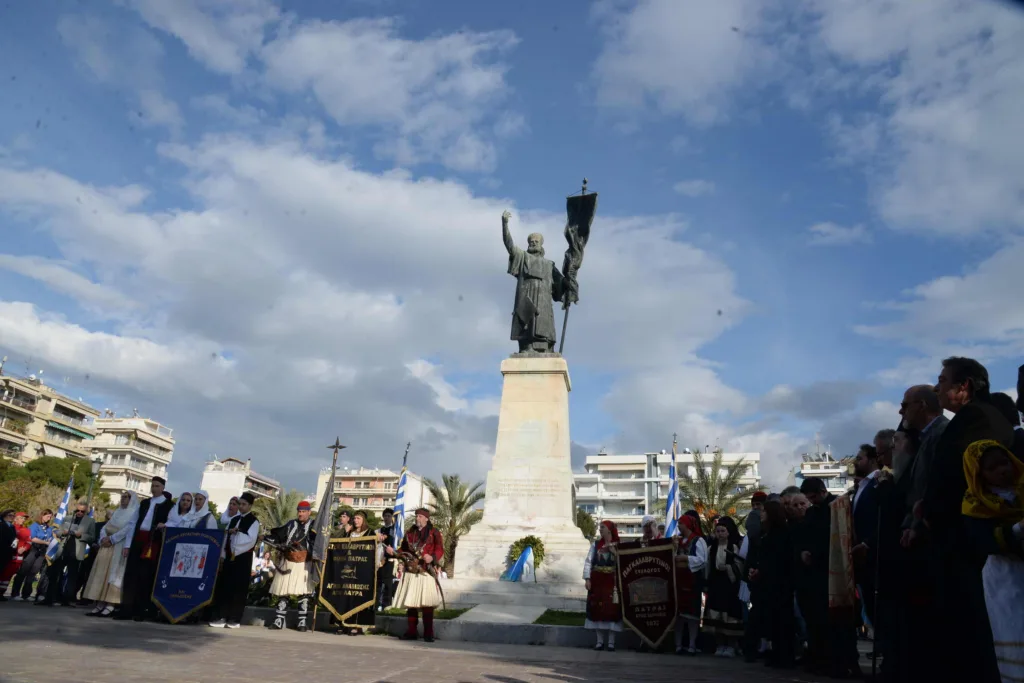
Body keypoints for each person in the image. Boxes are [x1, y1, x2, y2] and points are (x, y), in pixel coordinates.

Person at [922, 357, 1014, 683]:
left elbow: (965, 481)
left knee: (974, 642)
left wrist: (933, 510)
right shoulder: (975, 418)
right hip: (959, 544)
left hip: (966, 548)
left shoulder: (978, 419)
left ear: (965, 387)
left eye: (943, 380)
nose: (937, 387)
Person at [961, 439, 1024, 683]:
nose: (1003, 470)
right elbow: (983, 541)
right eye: (992, 467)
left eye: (1005, 462)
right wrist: (1016, 531)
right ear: (979, 473)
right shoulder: (974, 504)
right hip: (1005, 576)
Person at [115, 476, 174, 621]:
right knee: (131, 575)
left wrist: (163, 525)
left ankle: (141, 610)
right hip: (138, 540)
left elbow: (173, 522)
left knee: (146, 576)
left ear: (163, 488)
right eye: (153, 486)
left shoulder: (169, 505)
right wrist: (128, 545)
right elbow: (133, 523)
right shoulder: (145, 503)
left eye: (157, 486)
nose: (154, 488)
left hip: (152, 541)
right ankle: (126, 609)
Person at [748, 499, 795, 668]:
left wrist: (763, 570)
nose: (761, 514)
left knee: (782, 621)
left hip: (779, 585)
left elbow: (780, 560)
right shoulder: (764, 534)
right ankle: (775, 653)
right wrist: (755, 569)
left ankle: (785, 655)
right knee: (772, 622)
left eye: (765, 511)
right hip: (766, 585)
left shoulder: (782, 533)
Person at [389, 507, 443, 642]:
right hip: (411, 570)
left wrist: (432, 557)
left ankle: (428, 633)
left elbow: (439, 549)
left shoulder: (434, 532)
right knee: (411, 604)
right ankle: (412, 631)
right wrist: (394, 552)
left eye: (420, 516)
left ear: (426, 518)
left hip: (426, 571)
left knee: (427, 605)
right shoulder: (410, 532)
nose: (417, 518)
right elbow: (404, 549)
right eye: (416, 516)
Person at [83, 491, 138, 617]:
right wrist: (103, 538)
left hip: (118, 546)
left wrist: (112, 539)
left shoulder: (133, 513)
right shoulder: (117, 512)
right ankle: (100, 603)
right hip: (106, 548)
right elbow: (105, 526)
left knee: (113, 574)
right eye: (122, 497)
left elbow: (128, 529)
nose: (123, 499)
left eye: (126, 497)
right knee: (102, 574)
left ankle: (110, 604)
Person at [209, 492, 260, 629]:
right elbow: (225, 537)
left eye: (244, 504)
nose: (241, 507)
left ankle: (234, 618)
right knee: (225, 587)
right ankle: (221, 616)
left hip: (242, 558)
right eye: (240, 504)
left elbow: (251, 540)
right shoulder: (233, 519)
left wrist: (237, 534)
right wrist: (224, 554)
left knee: (238, 589)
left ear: (250, 506)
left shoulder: (254, 521)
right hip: (230, 557)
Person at [265, 499, 315, 632]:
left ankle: (302, 622)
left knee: (304, 592)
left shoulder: (314, 525)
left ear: (309, 512)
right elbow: (278, 536)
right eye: (299, 511)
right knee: (283, 591)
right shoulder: (291, 524)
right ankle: (278, 620)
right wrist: (266, 539)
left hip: (305, 562)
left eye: (304, 511)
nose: (301, 514)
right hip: (288, 561)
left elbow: (319, 542)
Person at [40, 498, 96, 607]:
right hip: (63, 549)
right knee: (55, 574)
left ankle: (67, 599)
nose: (79, 513)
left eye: (82, 511)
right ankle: (49, 598)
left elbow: (92, 537)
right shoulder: (68, 518)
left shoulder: (90, 521)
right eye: (78, 510)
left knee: (72, 577)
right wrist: (63, 532)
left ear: (86, 512)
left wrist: (82, 535)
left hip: (76, 550)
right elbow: (58, 531)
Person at [703, 517, 744, 657]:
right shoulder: (711, 548)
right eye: (718, 531)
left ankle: (731, 646)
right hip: (715, 585)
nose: (720, 533)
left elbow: (739, 566)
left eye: (723, 531)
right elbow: (707, 567)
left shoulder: (733, 547)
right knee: (716, 616)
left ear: (728, 532)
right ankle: (720, 645)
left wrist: (728, 568)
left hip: (729, 586)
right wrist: (707, 583)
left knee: (729, 615)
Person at [342, 510, 383, 635]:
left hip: (364, 571)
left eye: (358, 518)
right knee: (349, 597)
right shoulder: (350, 533)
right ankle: (347, 624)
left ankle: (358, 625)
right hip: (349, 569)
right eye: (354, 518)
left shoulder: (370, 533)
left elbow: (375, 550)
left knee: (361, 597)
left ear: (363, 520)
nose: (355, 521)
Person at [583, 520, 622, 651]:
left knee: (611, 611)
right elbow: (588, 562)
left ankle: (611, 643)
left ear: (609, 530)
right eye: (600, 527)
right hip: (597, 582)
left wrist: (614, 552)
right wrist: (587, 579)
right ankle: (599, 642)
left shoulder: (618, 546)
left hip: (612, 583)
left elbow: (624, 563)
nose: (600, 529)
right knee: (597, 610)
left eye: (602, 527)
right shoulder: (595, 545)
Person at [674, 513, 707, 655]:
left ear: (687, 525)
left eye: (680, 523)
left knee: (692, 616)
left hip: (692, 582)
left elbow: (702, 560)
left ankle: (692, 645)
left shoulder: (698, 541)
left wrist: (686, 558)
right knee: (679, 616)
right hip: (678, 582)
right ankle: (678, 645)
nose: (678, 526)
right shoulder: (678, 541)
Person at [11, 509, 53, 601]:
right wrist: (45, 542)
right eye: (47, 516)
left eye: (50, 517)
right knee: (23, 572)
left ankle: (26, 594)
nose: (49, 518)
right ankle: (15, 593)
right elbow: (32, 538)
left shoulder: (48, 528)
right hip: (33, 550)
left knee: (33, 573)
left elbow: (51, 537)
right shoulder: (35, 526)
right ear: (42, 515)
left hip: (42, 551)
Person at [0, 511, 29, 599]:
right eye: (10, 515)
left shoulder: (22, 529)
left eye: (13, 515)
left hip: (13, 554)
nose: (23, 520)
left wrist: (25, 548)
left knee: (7, 576)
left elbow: (28, 541)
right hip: (4, 552)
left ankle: (1, 593)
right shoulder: (2, 525)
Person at [377, 508, 396, 611]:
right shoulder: (380, 530)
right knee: (379, 583)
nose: (387, 518)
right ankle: (377, 604)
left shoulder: (395, 530)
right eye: (385, 516)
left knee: (388, 583)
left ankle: (387, 605)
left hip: (389, 561)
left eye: (389, 516)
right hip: (380, 560)